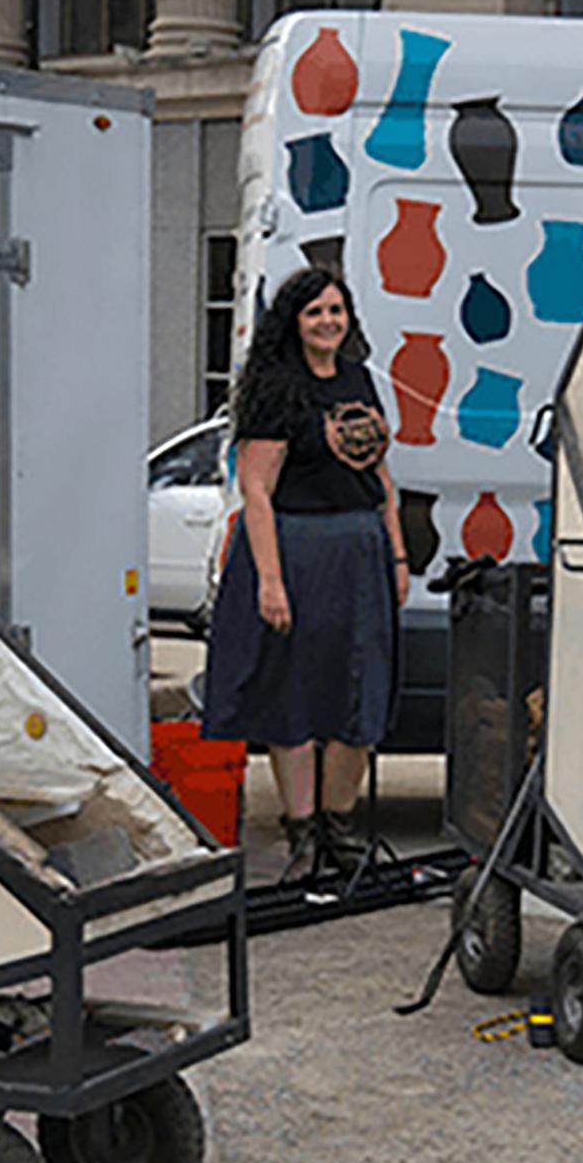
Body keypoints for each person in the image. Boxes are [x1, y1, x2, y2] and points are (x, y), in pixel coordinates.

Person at [203, 267, 406, 859]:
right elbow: (257, 491)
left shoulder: (359, 380)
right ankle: (302, 832)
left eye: (336, 310)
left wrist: (395, 550)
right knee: (292, 696)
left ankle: (338, 830)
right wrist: (270, 580)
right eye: (315, 312)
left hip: (361, 553)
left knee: (360, 694)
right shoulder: (277, 388)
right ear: (295, 322)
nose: (328, 322)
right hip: (295, 551)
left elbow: (379, 473)